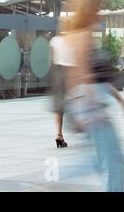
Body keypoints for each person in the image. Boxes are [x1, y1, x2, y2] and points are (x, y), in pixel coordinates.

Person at [61, 0, 124, 192]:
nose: (99, 13)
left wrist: (119, 99)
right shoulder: (84, 37)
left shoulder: (75, 35)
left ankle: (55, 181)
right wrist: (90, 107)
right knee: (114, 160)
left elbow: (88, 75)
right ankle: (55, 182)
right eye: (97, 8)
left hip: (85, 102)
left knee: (100, 159)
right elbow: (82, 72)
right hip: (91, 104)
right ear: (90, 10)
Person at [49, 17, 71, 148]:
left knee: (59, 107)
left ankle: (59, 134)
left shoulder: (54, 40)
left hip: (57, 71)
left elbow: (51, 60)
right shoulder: (73, 39)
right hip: (70, 71)